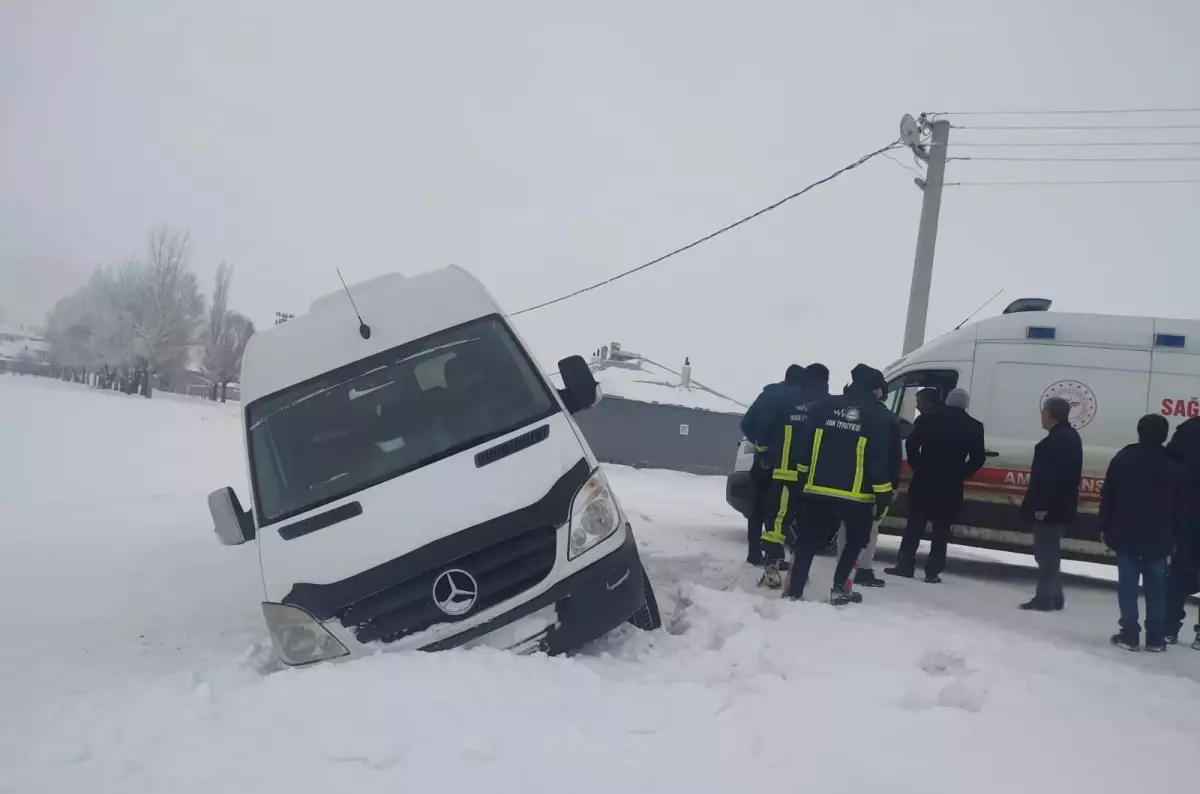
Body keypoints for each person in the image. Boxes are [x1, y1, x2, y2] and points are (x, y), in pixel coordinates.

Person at [784, 364, 894, 605]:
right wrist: (884, 495)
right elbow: (878, 461)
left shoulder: (820, 407)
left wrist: (801, 482)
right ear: (874, 390)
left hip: (816, 489)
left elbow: (804, 450)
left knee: (806, 541)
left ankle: (793, 590)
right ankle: (840, 588)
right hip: (857, 496)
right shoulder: (879, 417)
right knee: (855, 541)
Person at [1099, 414, 1186, 652]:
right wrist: (1177, 536)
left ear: (1139, 432)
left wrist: (1104, 526)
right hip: (1160, 537)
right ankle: (1156, 638)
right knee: (1157, 587)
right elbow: (1180, 506)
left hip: (1125, 532)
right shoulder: (1174, 466)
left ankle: (1129, 634)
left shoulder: (1123, 459)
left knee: (1128, 585)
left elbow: (1109, 496)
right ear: (1165, 435)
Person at [886, 387, 986, 583]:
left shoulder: (927, 420)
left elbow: (911, 444)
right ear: (965, 404)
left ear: (948, 401)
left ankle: (905, 565)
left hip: (924, 481)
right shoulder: (974, 426)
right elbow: (978, 458)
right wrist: (961, 473)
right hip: (951, 485)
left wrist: (918, 465)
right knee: (941, 530)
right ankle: (933, 571)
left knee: (914, 525)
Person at [757, 364, 830, 588]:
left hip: (785, 473)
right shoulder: (829, 405)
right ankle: (799, 573)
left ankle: (772, 569)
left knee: (777, 521)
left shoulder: (785, 399)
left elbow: (763, 432)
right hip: (814, 479)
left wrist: (765, 454)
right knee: (806, 525)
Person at [1019, 396, 1083, 611]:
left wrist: (1042, 506)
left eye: (1043, 412)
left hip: (1051, 507)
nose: (1041, 416)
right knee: (1048, 551)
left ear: (1050, 414)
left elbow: (1054, 478)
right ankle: (1055, 595)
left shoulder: (1058, 441)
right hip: (1059, 505)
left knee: (1046, 553)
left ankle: (1045, 597)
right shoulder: (1068, 437)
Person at [740, 364, 806, 565]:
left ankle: (753, 552)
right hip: (785, 465)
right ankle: (773, 554)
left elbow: (746, 424)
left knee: (758, 507)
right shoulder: (798, 400)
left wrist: (762, 446)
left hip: (763, 462)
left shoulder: (767, 395)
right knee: (777, 508)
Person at [840, 388, 904, 588]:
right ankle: (862, 569)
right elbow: (894, 455)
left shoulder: (844, 413)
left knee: (846, 527)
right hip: (874, 484)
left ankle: (845, 570)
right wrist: (892, 485)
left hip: (845, 481)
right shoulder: (885, 417)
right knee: (870, 527)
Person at [1165, 416, 1200, 649]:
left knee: (1178, 574)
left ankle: (1169, 629)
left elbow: (1170, 465)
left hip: (1188, 514)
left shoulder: (1189, 430)